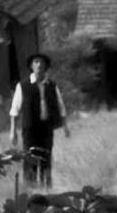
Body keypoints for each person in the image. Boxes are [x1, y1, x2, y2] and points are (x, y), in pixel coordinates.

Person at [9, 53, 71, 188]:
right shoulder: (23, 86)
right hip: (30, 128)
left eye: (42, 62)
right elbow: (14, 110)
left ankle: (46, 188)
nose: (39, 65)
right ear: (31, 66)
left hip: (46, 128)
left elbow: (61, 107)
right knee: (30, 158)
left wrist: (65, 126)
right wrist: (13, 131)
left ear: (46, 67)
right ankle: (30, 188)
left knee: (46, 158)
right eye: (36, 62)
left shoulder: (52, 85)